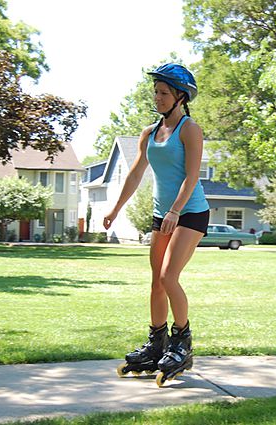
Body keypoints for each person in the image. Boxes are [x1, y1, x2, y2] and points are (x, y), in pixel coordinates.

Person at [104, 63, 209, 386]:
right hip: (162, 214)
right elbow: (136, 174)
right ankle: (156, 343)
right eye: (156, 92)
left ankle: (182, 342)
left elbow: (192, 176)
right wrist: (116, 208)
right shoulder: (149, 133)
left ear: (180, 97)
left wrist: (176, 210)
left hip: (190, 213)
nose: (157, 97)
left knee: (169, 276)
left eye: (163, 93)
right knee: (155, 282)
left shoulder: (189, 129)